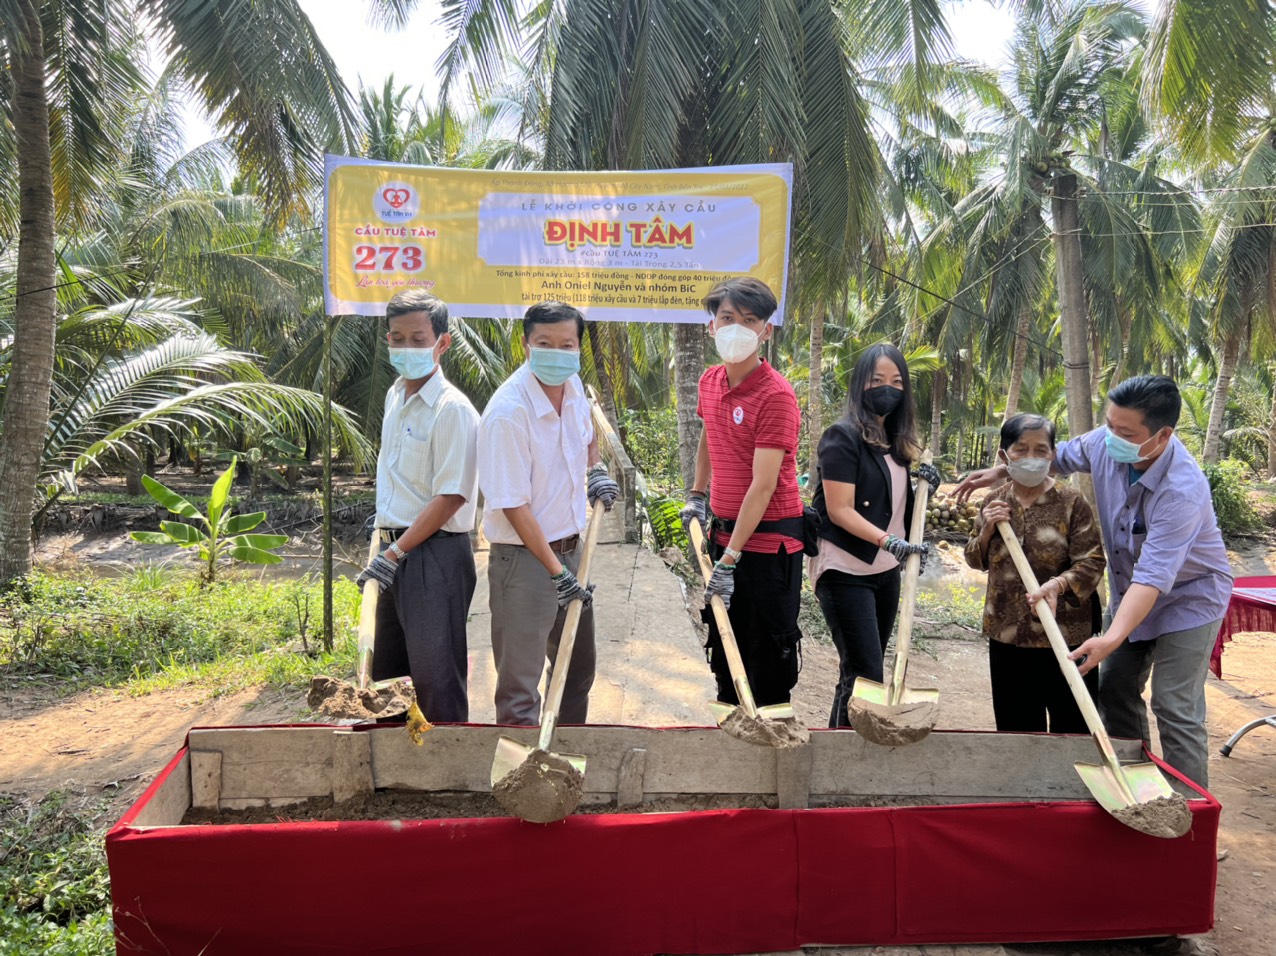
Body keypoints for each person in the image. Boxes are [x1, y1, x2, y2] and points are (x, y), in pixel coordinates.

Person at [956, 376, 1232, 788]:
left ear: (1163, 435)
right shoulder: (1106, 441)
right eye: (1109, 425)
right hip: (1130, 589)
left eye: (1126, 433)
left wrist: (1112, 636)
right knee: (1116, 690)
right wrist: (1002, 469)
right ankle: (1132, 789)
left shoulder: (1182, 490)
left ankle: (1188, 807)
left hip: (1188, 599)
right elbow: (1053, 456)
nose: (1111, 438)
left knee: (1175, 704)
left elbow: (1153, 576)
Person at [477, 301, 619, 726]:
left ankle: (566, 755)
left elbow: (588, 437)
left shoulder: (573, 388)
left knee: (576, 672)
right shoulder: (508, 413)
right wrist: (556, 573)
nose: (557, 353)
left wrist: (596, 469)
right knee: (520, 688)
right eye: (545, 343)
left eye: (566, 344)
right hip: (524, 563)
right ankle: (522, 767)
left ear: (577, 348)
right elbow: (512, 504)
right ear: (526, 345)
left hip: (574, 552)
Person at [679, 278, 807, 708]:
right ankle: (729, 731)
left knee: (767, 653)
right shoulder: (710, 381)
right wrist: (698, 494)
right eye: (728, 318)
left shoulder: (776, 395)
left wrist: (731, 558)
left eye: (749, 321)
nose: (736, 328)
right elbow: (708, 435)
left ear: (765, 331)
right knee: (724, 645)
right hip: (724, 536)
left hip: (770, 547)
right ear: (711, 326)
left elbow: (764, 485)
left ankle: (771, 733)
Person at [356, 290, 480, 723]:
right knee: (387, 675)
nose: (405, 348)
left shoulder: (452, 410)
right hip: (390, 550)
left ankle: (446, 758)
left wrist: (395, 553)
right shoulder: (395, 395)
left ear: (442, 343)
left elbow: (451, 496)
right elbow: (400, 475)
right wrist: (384, 531)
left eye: (417, 339)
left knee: (435, 678)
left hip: (434, 557)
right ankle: (395, 756)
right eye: (397, 338)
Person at [809, 344, 938, 728]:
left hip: (885, 571)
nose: (888, 388)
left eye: (897, 382)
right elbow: (839, 509)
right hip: (845, 569)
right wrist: (888, 541)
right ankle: (846, 753)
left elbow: (896, 508)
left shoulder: (897, 444)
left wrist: (926, 489)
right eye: (878, 380)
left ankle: (841, 745)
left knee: (861, 671)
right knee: (866, 674)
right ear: (859, 384)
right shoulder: (842, 437)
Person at [964, 413, 1105, 733]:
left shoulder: (1071, 502)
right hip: (1008, 636)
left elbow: (1093, 561)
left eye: (1040, 450)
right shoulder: (993, 502)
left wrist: (1058, 584)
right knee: (1017, 732)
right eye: (1021, 449)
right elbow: (974, 559)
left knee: (1073, 729)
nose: (1031, 457)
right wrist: (987, 530)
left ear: (1052, 454)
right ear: (1004, 456)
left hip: (1066, 639)